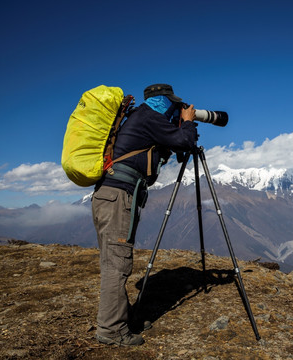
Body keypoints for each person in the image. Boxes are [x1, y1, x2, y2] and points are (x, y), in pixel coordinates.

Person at [91, 84, 198, 346]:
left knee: (113, 261)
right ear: (163, 101)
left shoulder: (141, 117)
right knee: (117, 265)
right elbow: (183, 140)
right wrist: (187, 123)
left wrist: (178, 129)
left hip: (111, 196)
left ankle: (121, 319)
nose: (175, 108)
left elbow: (173, 147)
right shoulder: (149, 117)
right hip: (118, 198)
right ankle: (111, 330)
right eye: (173, 104)